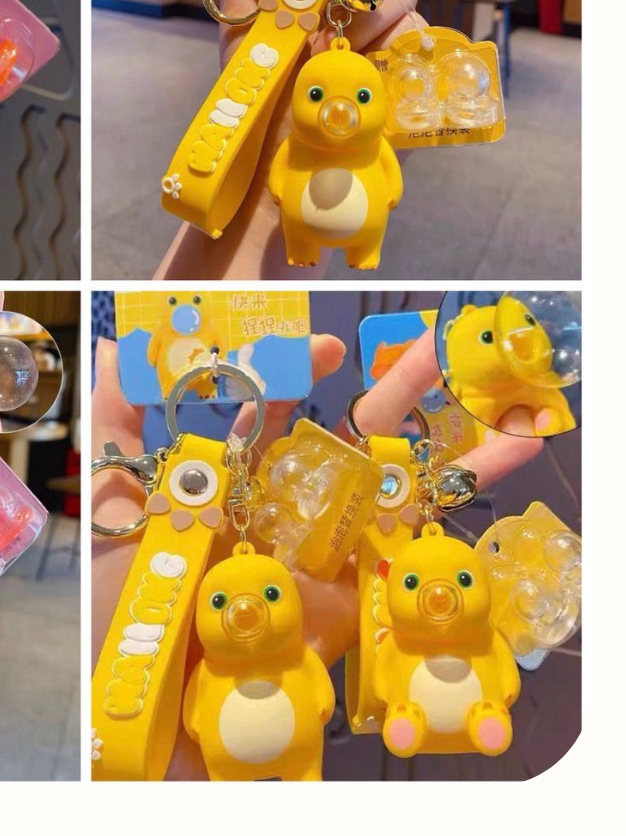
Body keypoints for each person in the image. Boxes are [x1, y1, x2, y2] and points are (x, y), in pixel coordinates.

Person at [91, 327, 544, 779]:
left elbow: (206, 717)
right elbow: (300, 705)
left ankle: (451, 717)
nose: (245, 610)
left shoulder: (464, 639)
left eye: (464, 580)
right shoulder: (223, 668)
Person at [155, 0, 431, 280]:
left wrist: (266, 210)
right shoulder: (300, 140)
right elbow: (284, 166)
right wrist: (265, 204)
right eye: (315, 95)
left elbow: (385, 170)